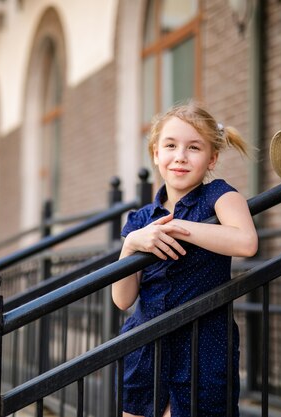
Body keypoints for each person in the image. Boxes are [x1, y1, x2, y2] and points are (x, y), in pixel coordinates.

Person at [112, 101, 258, 417]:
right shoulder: (140, 219)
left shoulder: (219, 195)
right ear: (155, 154)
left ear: (212, 158)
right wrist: (131, 245)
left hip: (203, 345)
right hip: (145, 344)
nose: (180, 155)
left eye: (194, 147)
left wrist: (180, 227)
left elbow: (246, 242)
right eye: (171, 145)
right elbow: (123, 299)